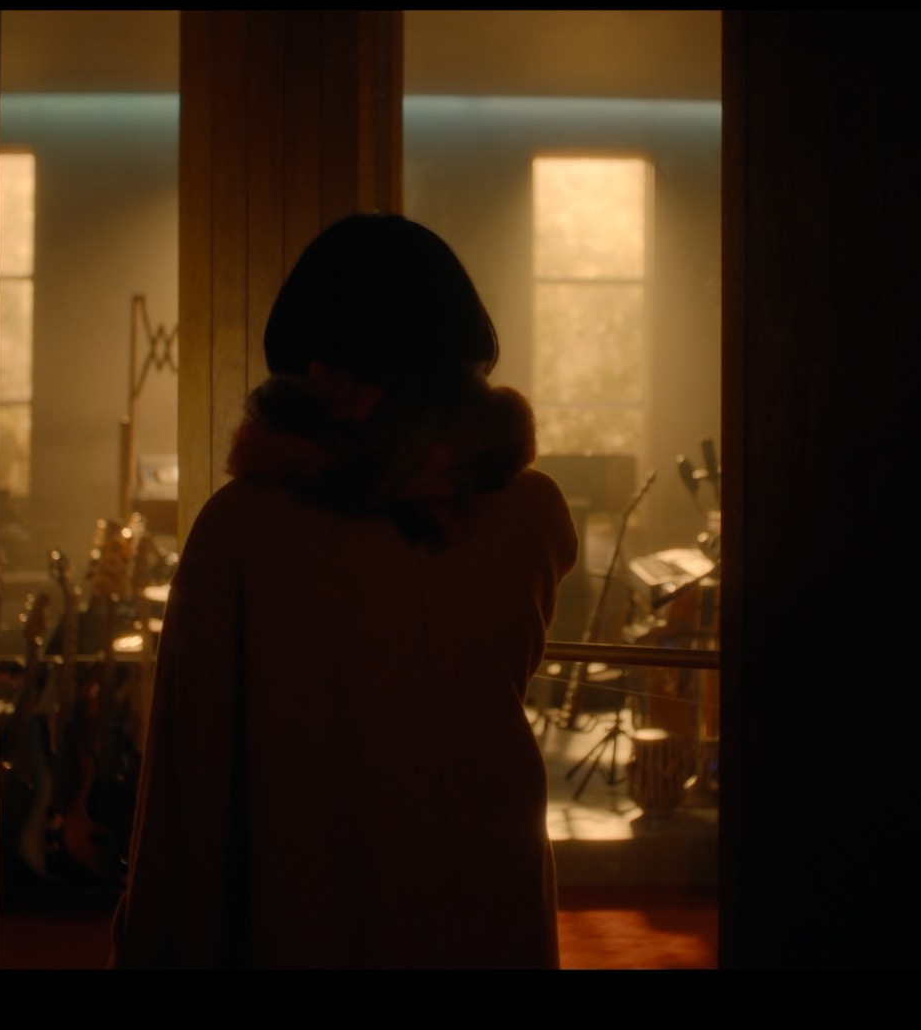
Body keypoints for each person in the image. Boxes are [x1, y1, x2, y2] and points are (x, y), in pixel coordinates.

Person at [110, 213, 579, 968]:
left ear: (311, 366)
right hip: (488, 896)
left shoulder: (240, 528)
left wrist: (153, 942)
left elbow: (185, 781)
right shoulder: (531, 513)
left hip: (308, 905)